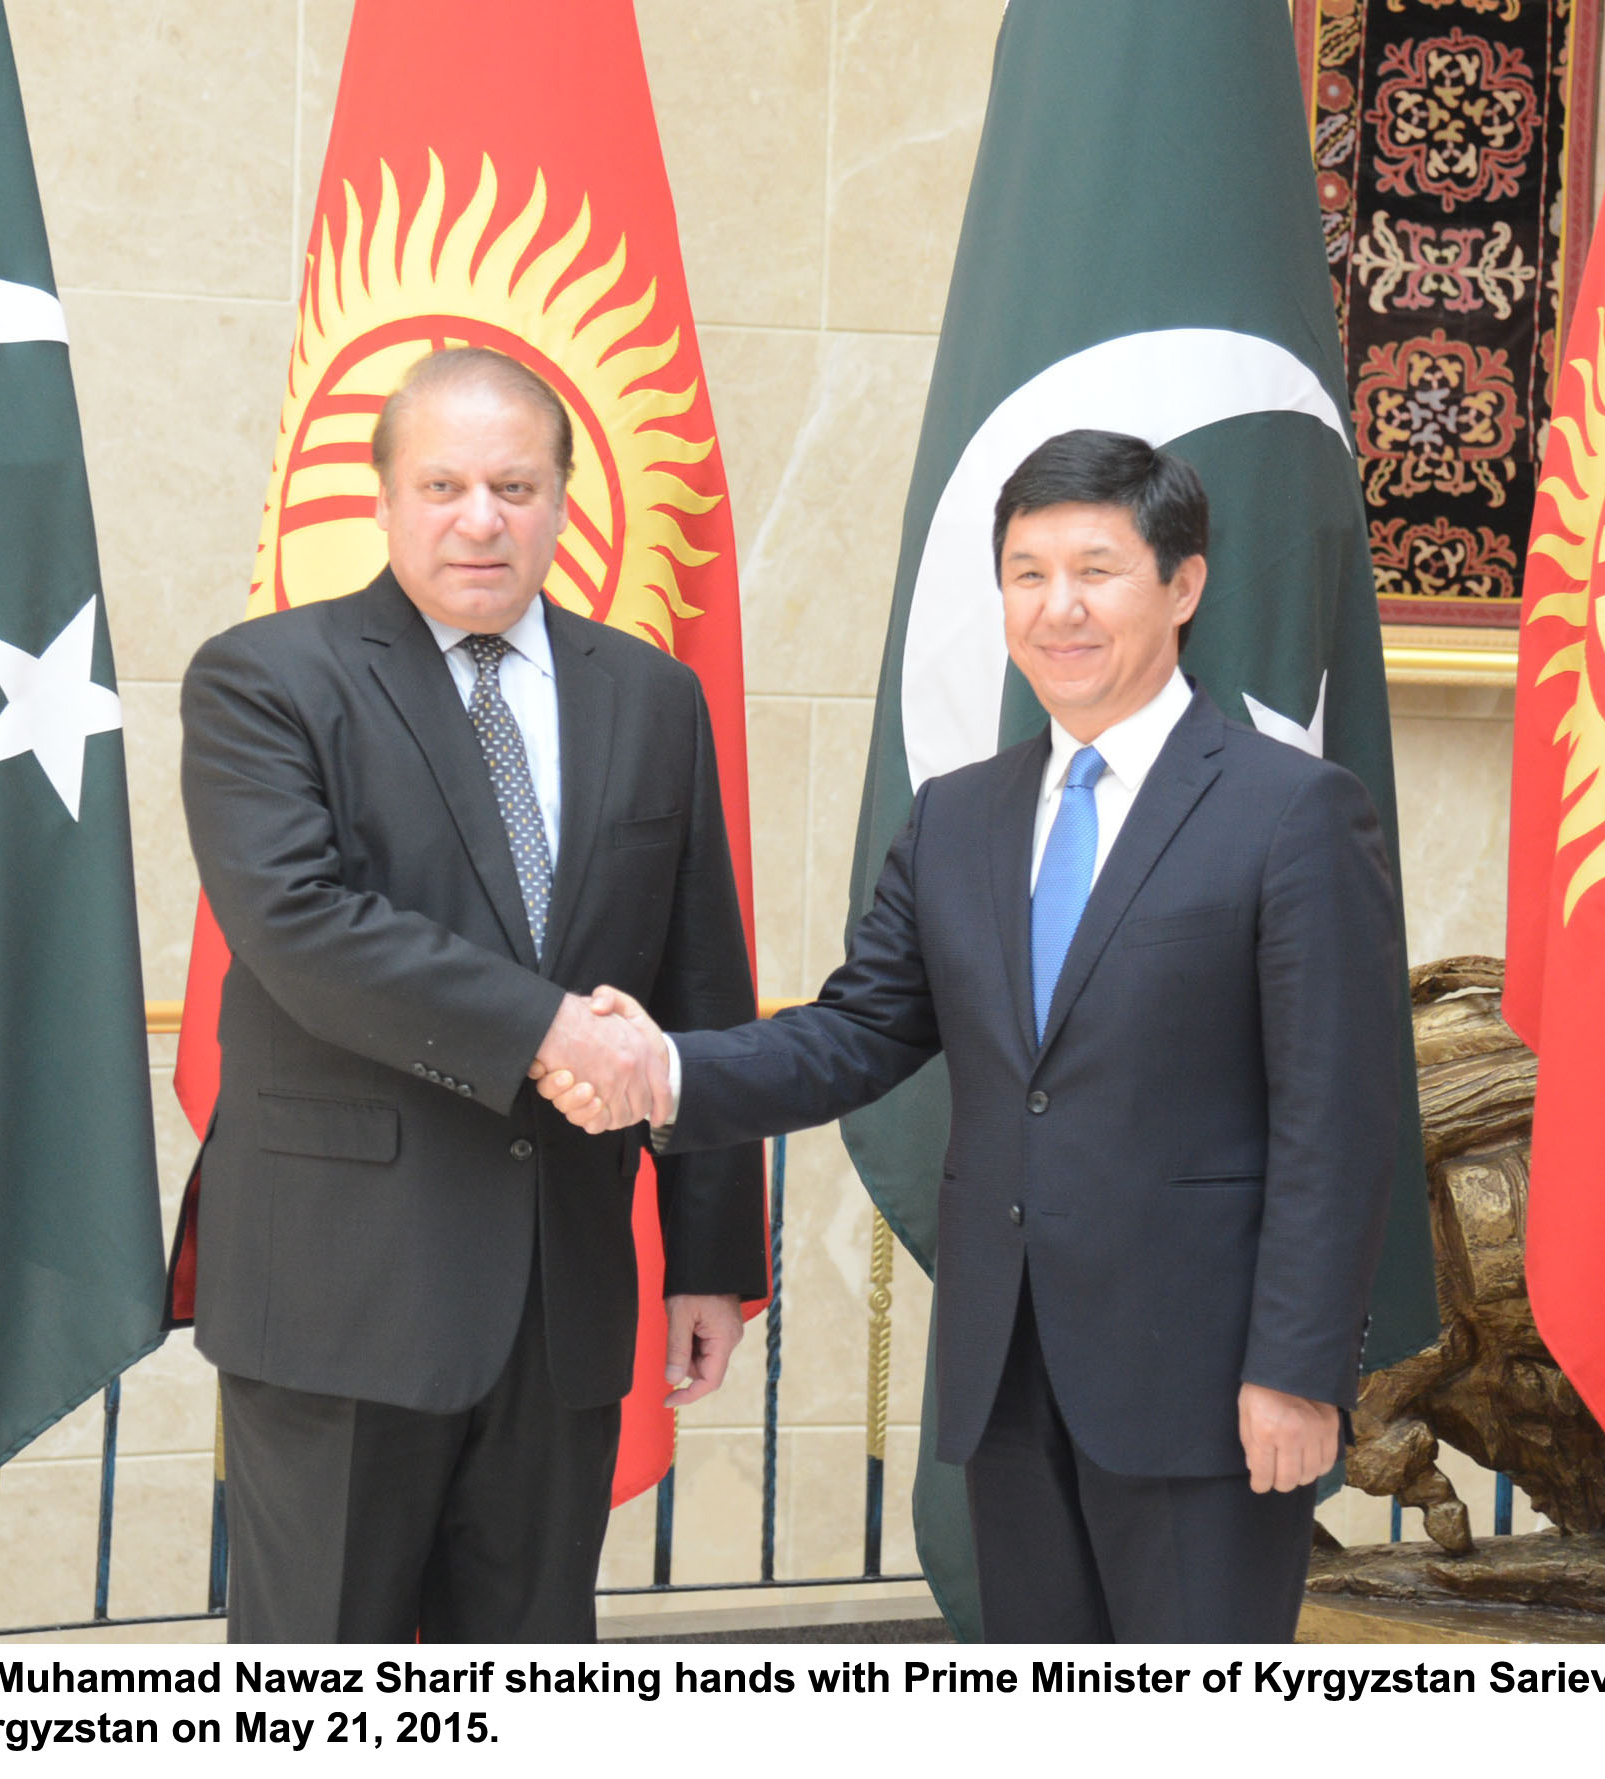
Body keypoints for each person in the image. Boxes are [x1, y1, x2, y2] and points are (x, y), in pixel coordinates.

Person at [540, 429, 1406, 1642]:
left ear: (1183, 584)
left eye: (1096, 570)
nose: (1059, 609)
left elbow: (1340, 1117)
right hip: (1005, 1372)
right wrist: (665, 1067)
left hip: (1203, 1385)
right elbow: (854, 1034)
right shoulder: (960, 817)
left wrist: (1298, 1369)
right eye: (1026, 572)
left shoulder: (1291, 812)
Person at [179, 346, 764, 1643]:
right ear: (380, 498)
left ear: (565, 500)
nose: (481, 516)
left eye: (516, 482)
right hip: (342, 1296)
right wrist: (550, 1028)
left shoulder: (652, 698)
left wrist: (715, 1253)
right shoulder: (266, 680)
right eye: (442, 483)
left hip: (560, 1296)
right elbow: (301, 925)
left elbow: (700, 981)